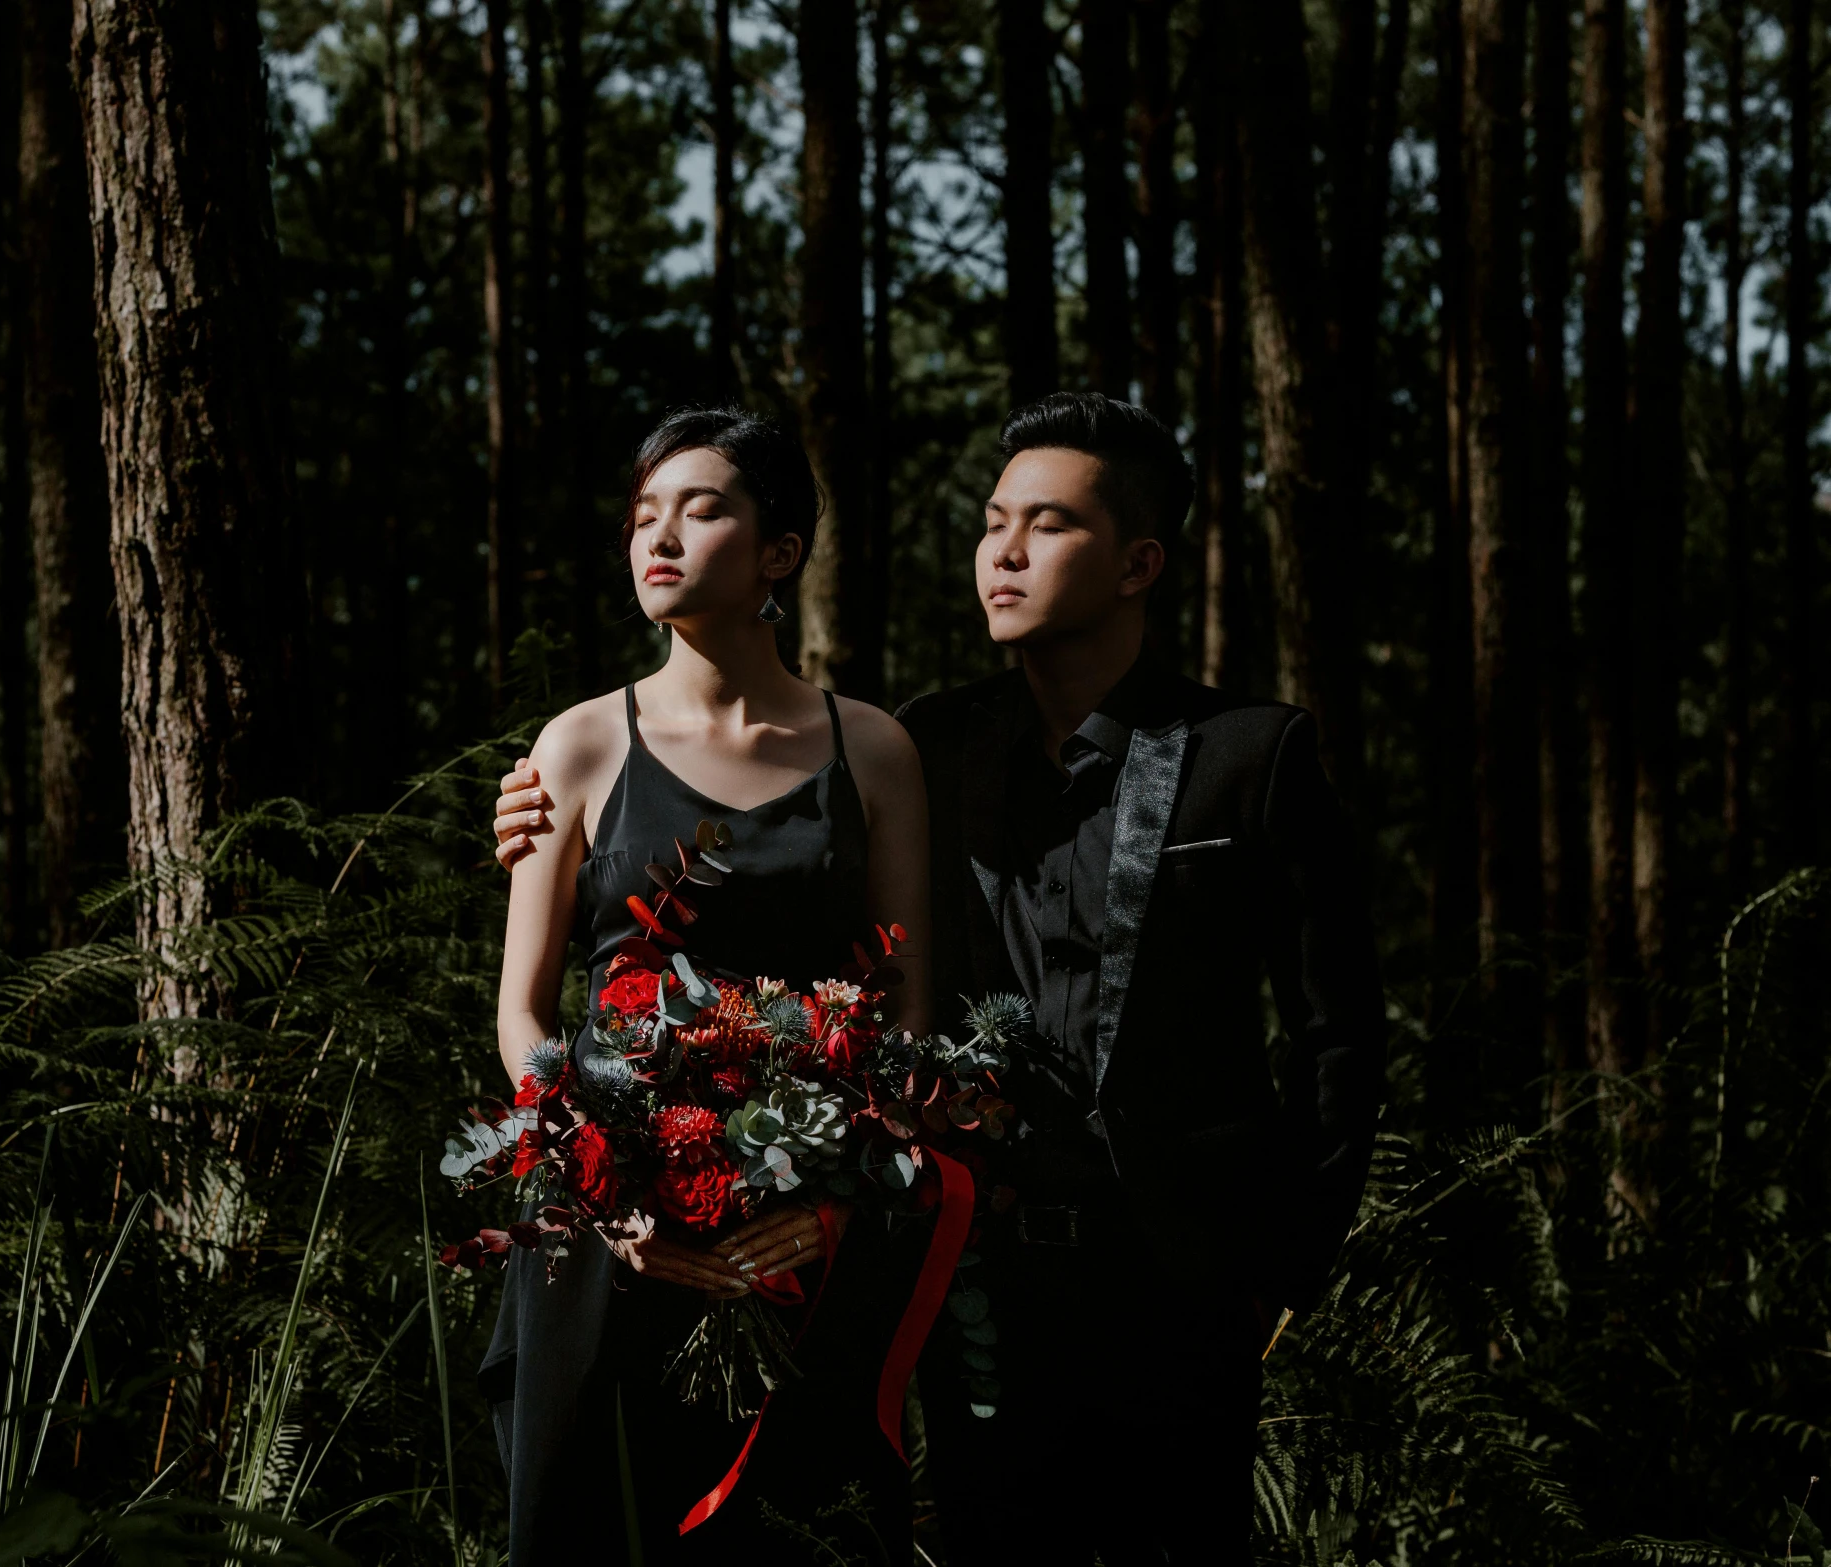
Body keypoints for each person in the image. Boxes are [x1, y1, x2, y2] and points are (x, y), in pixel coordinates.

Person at [495, 392, 1384, 1565]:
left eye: (1048, 526)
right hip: (976, 1281)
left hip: (1178, 1286)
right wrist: (528, 816)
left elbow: (1337, 1038)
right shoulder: (932, 743)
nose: (1003, 553)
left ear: (1140, 562)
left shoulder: (1248, 757)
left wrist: (1279, 1276)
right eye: (990, 521)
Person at [481, 406, 934, 1565]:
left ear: (779, 552)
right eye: (642, 514)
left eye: (702, 507)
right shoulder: (579, 744)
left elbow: (909, 1001)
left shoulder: (870, 748)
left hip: (802, 1243)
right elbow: (526, 1011)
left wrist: (831, 1195)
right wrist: (603, 1195)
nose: (659, 535)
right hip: (605, 1240)